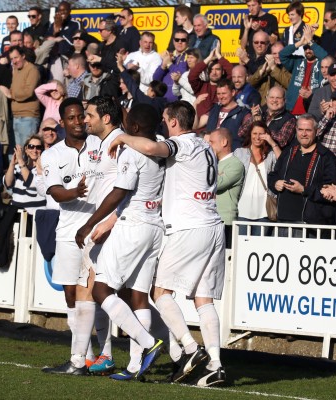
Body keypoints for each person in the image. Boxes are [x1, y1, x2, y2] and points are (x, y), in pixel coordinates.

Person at [108, 100, 227, 387]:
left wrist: (121, 136)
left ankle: (189, 349)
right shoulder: (205, 146)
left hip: (190, 228)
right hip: (213, 226)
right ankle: (216, 365)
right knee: (203, 298)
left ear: (174, 121)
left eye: (165, 119)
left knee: (159, 290)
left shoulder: (183, 144)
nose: (163, 124)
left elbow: (150, 148)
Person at [74, 103, 166, 380]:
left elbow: (119, 192)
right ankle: (136, 365)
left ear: (134, 128)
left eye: (128, 124)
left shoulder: (132, 150)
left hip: (133, 224)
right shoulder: (161, 145)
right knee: (138, 296)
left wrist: (89, 223)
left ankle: (149, 344)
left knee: (101, 290)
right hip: (155, 227)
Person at [40, 98, 98, 376]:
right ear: (62, 122)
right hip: (67, 233)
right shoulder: (51, 155)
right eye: (71, 118)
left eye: (81, 117)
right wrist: (76, 192)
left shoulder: (100, 144)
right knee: (71, 295)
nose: (77, 122)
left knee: (101, 294)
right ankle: (84, 356)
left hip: (100, 230)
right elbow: (54, 191)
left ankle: (101, 356)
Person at [268, 114, 336, 235]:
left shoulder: (326, 157)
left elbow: (331, 192)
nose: (303, 134)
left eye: (308, 130)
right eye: (300, 130)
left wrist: (304, 190)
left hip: (310, 225)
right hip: (283, 221)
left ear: (316, 132)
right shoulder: (288, 152)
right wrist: (275, 183)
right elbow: (273, 175)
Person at [233, 121, 280, 235]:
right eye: (254, 133)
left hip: (264, 210)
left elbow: (283, 162)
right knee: (242, 247)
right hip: (243, 209)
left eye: (261, 134)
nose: (257, 137)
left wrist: (272, 142)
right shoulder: (240, 153)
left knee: (260, 248)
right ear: (250, 134)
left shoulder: (271, 155)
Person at [208, 127, 244, 248]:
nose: (208, 145)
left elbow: (215, 184)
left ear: (224, 142)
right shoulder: (215, 163)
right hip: (213, 220)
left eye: (212, 142)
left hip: (225, 221)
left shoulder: (235, 163)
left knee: (225, 260)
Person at [280, 25, 327, 114]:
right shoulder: (297, 61)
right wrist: (300, 43)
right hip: (291, 110)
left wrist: (310, 41)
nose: (308, 51)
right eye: (305, 48)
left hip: (312, 111)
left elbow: (326, 57)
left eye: (311, 48)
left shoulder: (322, 64)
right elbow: (282, 55)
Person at [199, 80, 250, 150]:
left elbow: (247, 138)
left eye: (224, 93)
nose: (221, 97)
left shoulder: (243, 112)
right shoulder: (214, 109)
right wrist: (195, 104)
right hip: (211, 153)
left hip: (231, 155)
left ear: (233, 92)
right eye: (218, 94)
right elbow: (197, 125)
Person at [4, 135, 46, 214]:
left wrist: (20, 160)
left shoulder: (44, 169)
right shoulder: (17, 167)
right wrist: (12, 164)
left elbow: (31, 183)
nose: (34, 150)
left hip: (35, 215)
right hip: (16, 213)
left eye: (38, 147)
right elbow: (8, 184)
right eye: (31, 146)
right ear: (26, 150)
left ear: (42, 150)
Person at [9, 46, 41, 145]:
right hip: (17, 116)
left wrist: (11, 95)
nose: (14, 61)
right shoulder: (16, 70)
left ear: (23, 56)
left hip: (28, 116)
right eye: (11, 59)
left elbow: (28, 92)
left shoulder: (32, 70)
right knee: (19, 152)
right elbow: (14, 88)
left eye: (16, 57)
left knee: (28, 150)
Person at [153, 29, 189, 102]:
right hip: (163, 99)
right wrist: (163, 65)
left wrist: (169, 64)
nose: (180, 42)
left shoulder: (190, 56)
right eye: (177, 40)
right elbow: (155, 78)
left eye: (183, 40)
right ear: (173, 41)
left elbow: (181, 75)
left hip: (179, 100)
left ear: (188, 41)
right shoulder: (169, 56)